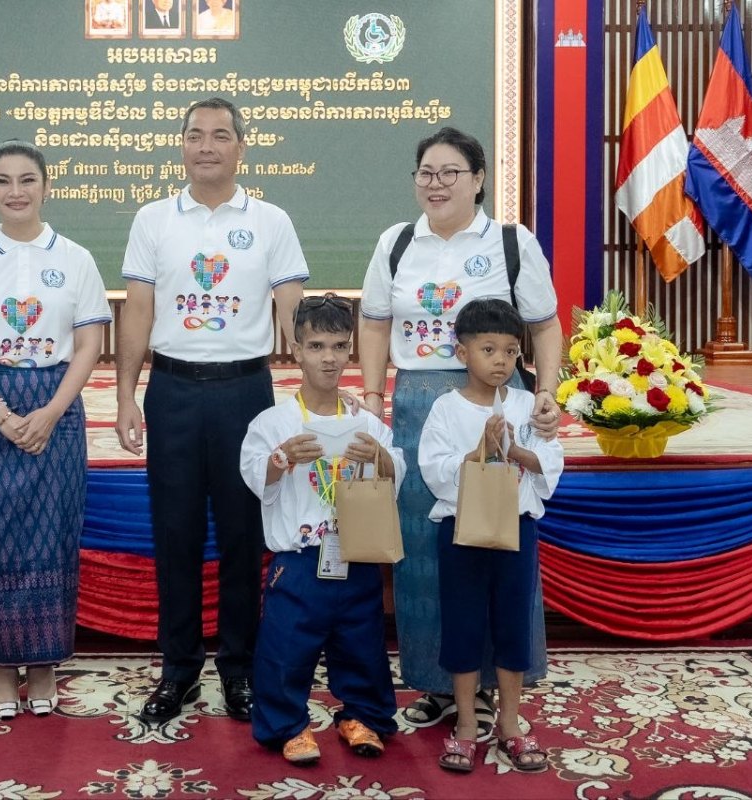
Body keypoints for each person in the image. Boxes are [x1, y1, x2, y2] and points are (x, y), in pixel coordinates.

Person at [358, 126, 562, 733]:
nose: (437, 183)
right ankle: (436, 682)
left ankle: (499, 685)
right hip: (418, 404)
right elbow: (374, 324)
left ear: (478, 180)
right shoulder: (396, 242)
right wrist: (373, 397)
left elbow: (544, 325)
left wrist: (546, 393)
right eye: (426, 172)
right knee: (425, 550)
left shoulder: (510, 242)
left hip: (494, 404)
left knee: (496, 542)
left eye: (451, 172)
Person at [115, 97, 308, 725]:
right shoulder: (153, 219)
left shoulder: (272, 220)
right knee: (175, 534)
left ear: (240, 148)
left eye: (220, 135)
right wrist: (125, 395)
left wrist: (320, 393)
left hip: (246, 395)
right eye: (195, 135)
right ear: (181, 145)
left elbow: (292, 312)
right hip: (172, 391)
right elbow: (138, 312)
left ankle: (239, 668)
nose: (206, 146)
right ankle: (178, 669)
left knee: (242, 534)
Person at [0, 140, 110, 720]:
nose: (16, 192)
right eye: (3, 181)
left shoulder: (76, 258)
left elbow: (90, 343)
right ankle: (3, 668)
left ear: (46, 187)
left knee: (53, 537)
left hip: (57, 408)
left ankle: (45, 664)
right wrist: (0, 414)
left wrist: (53, 411)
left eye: (28, 180)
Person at [239, 294, 404, 765]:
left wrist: (381, 458)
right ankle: (288, 726)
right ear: (296, 351)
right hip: (300, 559)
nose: (328, 358)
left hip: (356, 553)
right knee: (286, 647)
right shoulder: (274, 422)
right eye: (315, 346)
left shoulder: (365, 423)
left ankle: (363, 716)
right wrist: (281, 458)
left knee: (363, 644)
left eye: (338, 346)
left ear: (351, 350)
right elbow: (252, 475)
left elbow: (398, 473)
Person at [419, 297, 563, 773]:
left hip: (516, 530)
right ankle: (465, 724)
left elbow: (550, 461)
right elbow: (434, 470)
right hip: (461, 531)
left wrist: (515, 451)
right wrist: (479, 451)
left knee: (512, 625)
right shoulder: (446, 408)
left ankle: (510, 723)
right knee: (462, 623)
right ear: (462, 353)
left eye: (510, 351)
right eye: (488, 350)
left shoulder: (527, 404)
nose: (501, 360)